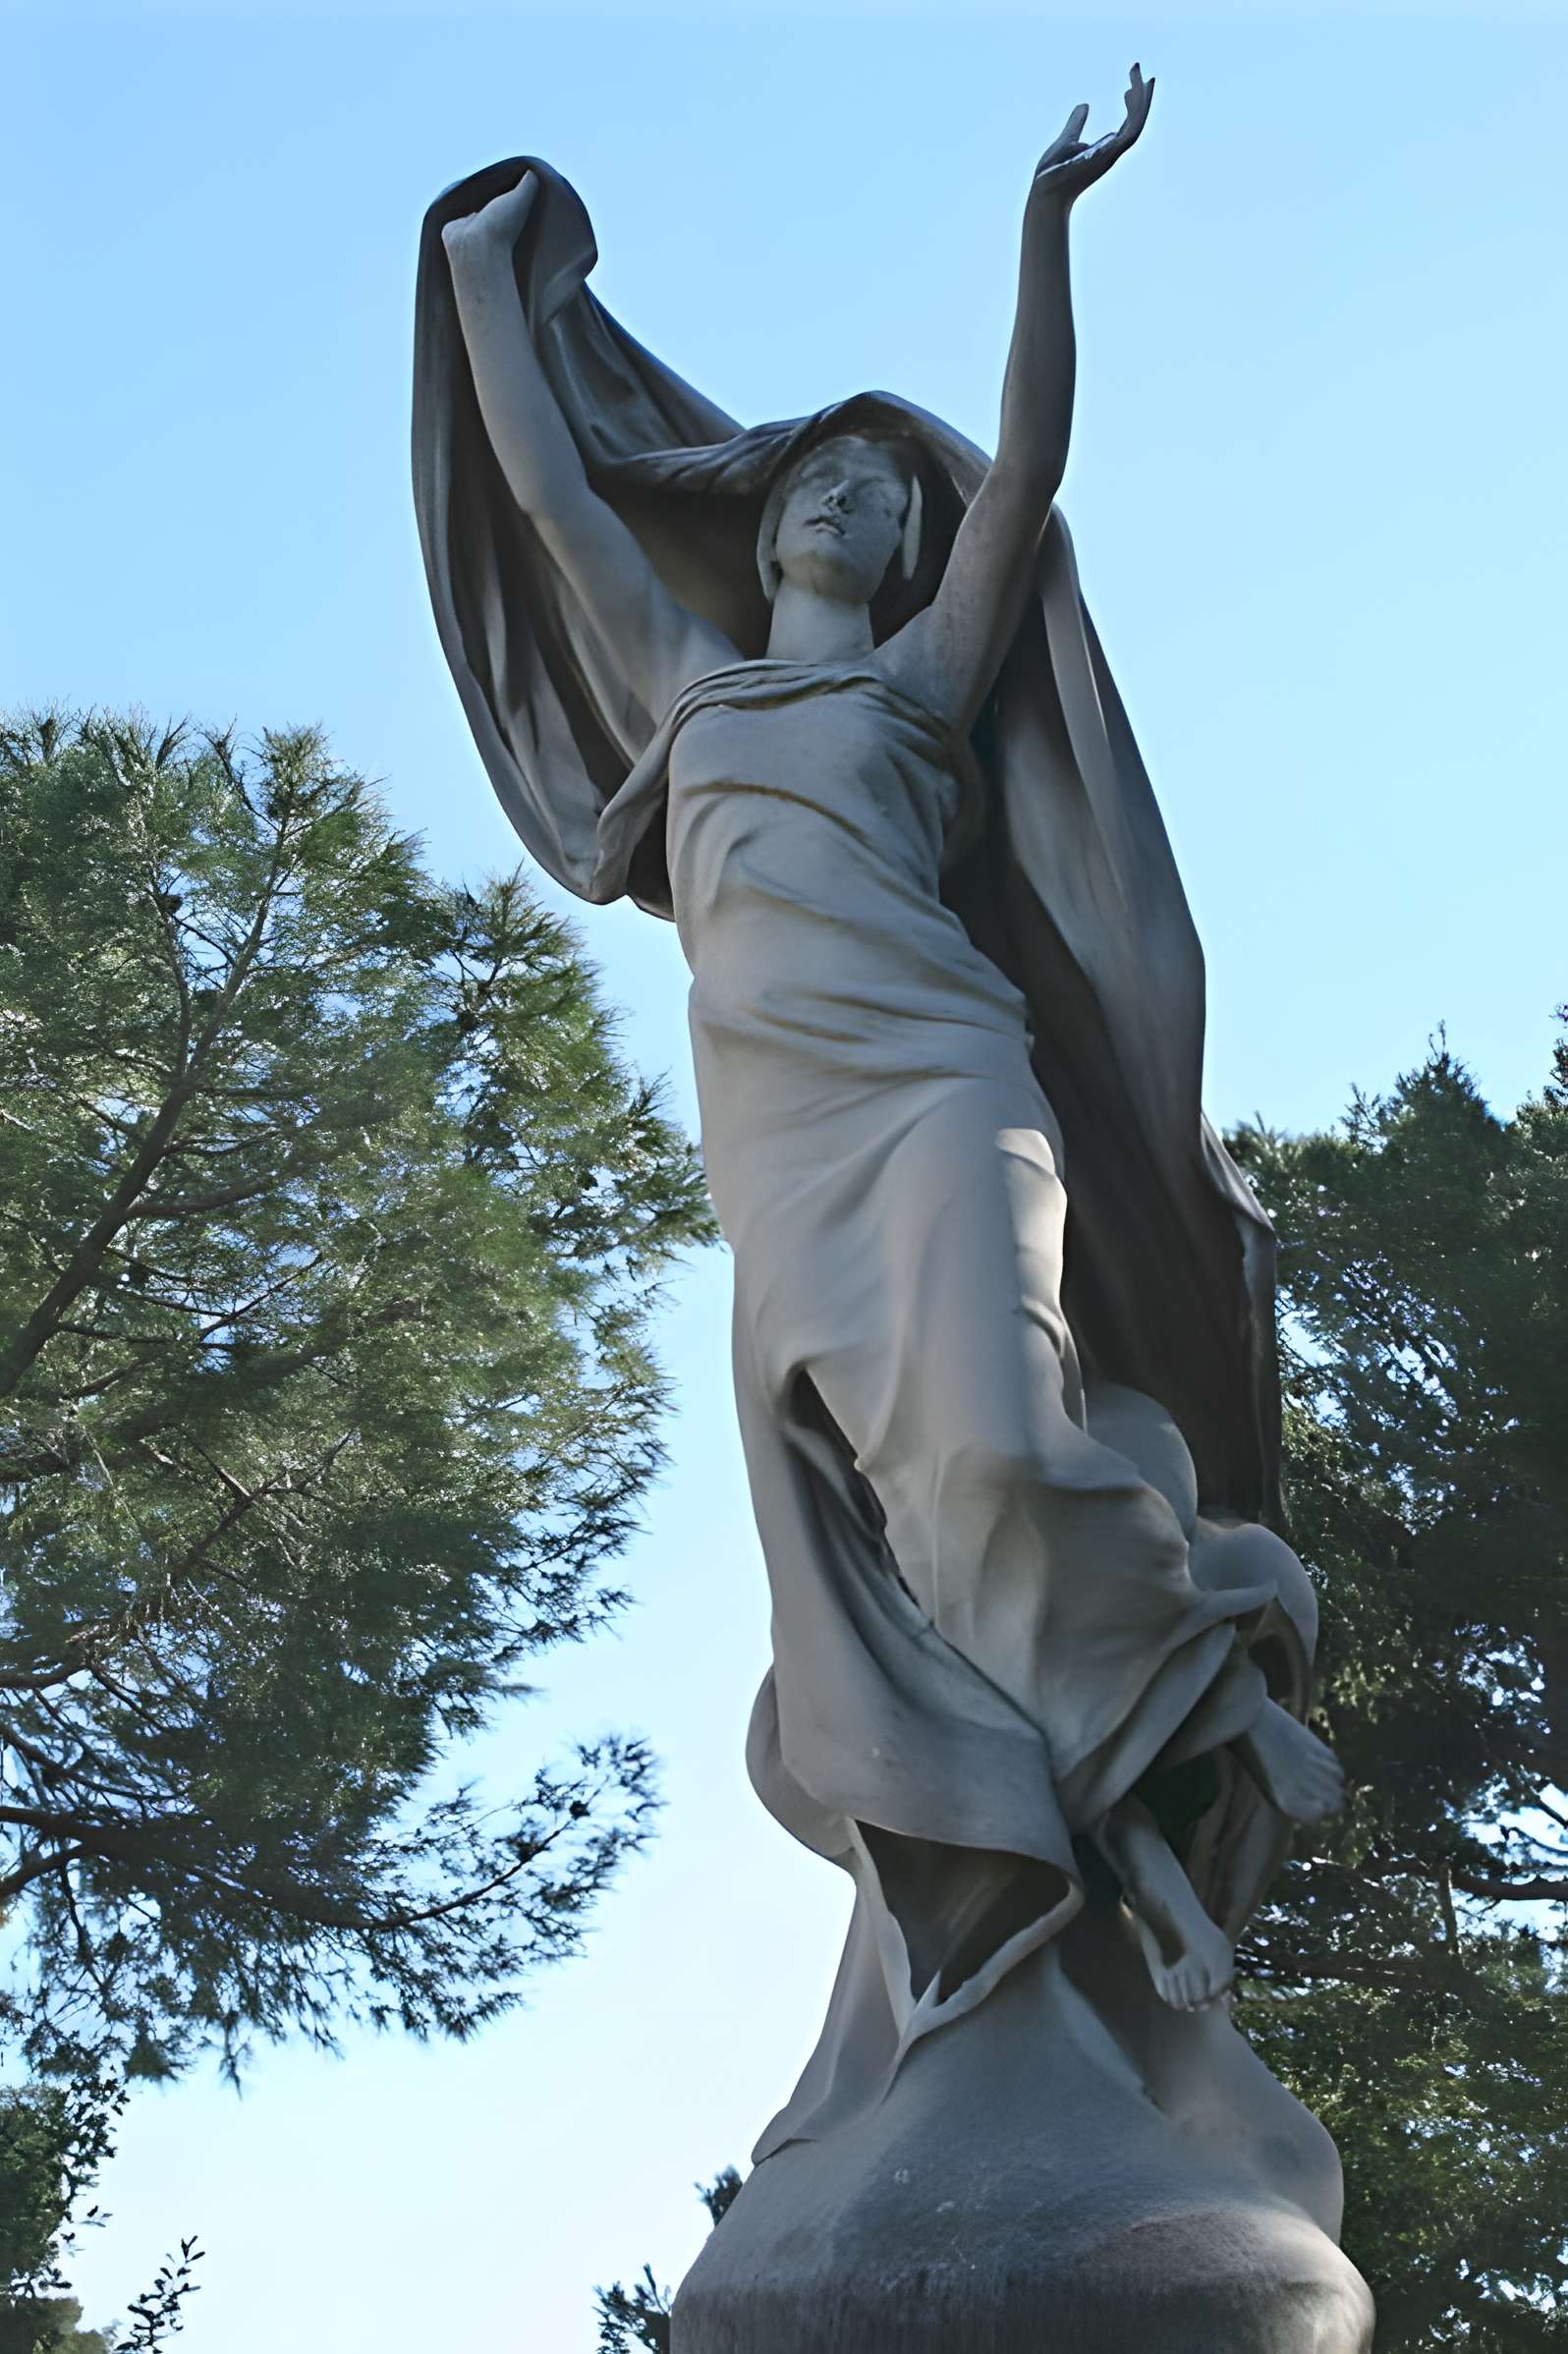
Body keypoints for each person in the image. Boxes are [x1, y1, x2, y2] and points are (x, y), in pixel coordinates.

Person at [417, 73, 1342, 2151]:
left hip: (942, 1087)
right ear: (761, 523)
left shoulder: (918, 687)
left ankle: (1209, 1626)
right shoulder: (691, 687)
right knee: (897, 1537)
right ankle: (1093, 1832)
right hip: (782, 1147)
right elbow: (558, 493)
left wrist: (1046, 231)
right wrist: (484, 273)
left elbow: (1025, 469)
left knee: (1002, 1433)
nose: (856, 501)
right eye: (821, 482)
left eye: (880, 493)